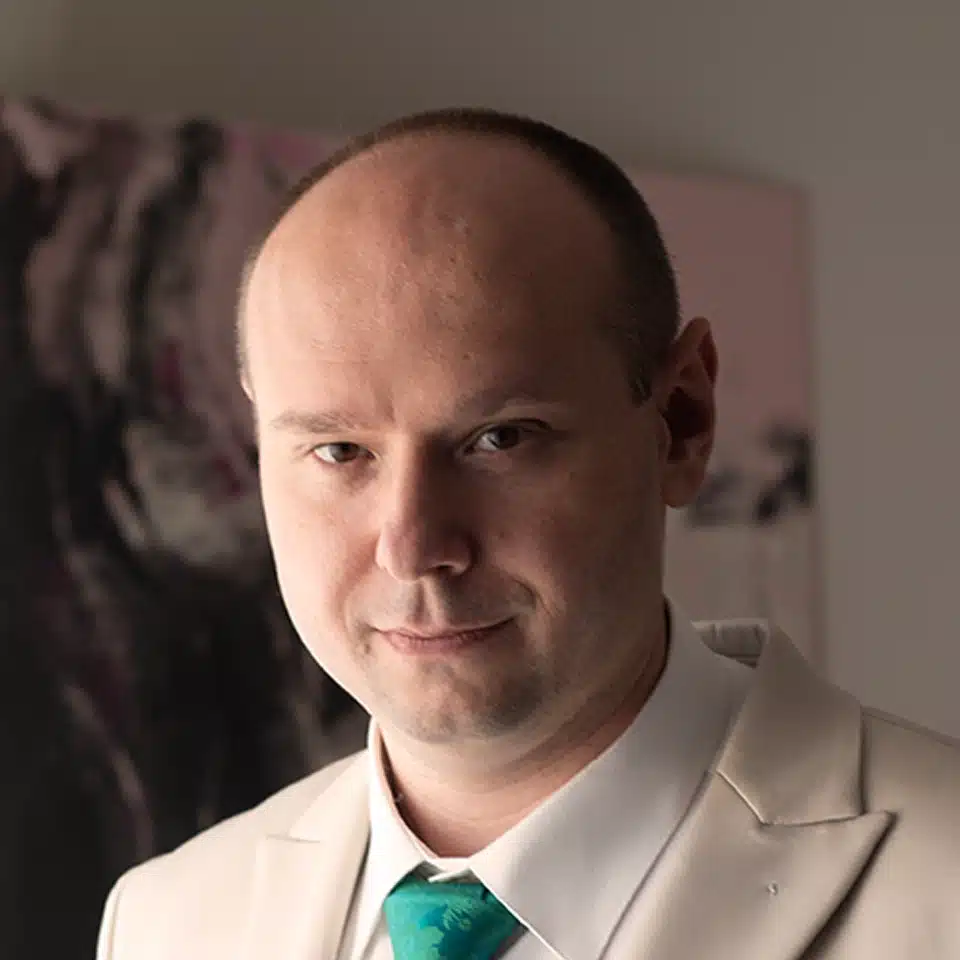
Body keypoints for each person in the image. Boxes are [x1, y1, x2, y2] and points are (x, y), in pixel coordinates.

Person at [96, 108, 960, 960]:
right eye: (338, 450)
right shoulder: (167, 922)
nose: (414, 544)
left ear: (683, 421)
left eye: (498, 439)